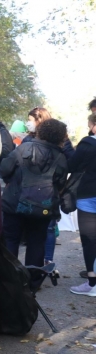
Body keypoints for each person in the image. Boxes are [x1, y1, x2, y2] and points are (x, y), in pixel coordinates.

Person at [0, 119, 69, 268]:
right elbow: (61, 183)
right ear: (60, 136)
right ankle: (32, 282)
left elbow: (4, 170)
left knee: (11, 241)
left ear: (41, 131)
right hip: (42, 207)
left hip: (14, 203)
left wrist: (12, 182)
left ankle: (9, 280)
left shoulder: (23, 148)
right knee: (37, 243)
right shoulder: (61, 157)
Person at [69, 114, 96, 296]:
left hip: (88, 195)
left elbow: (72, 165)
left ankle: (92, 283)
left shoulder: (87, 144)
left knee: (90, 240)